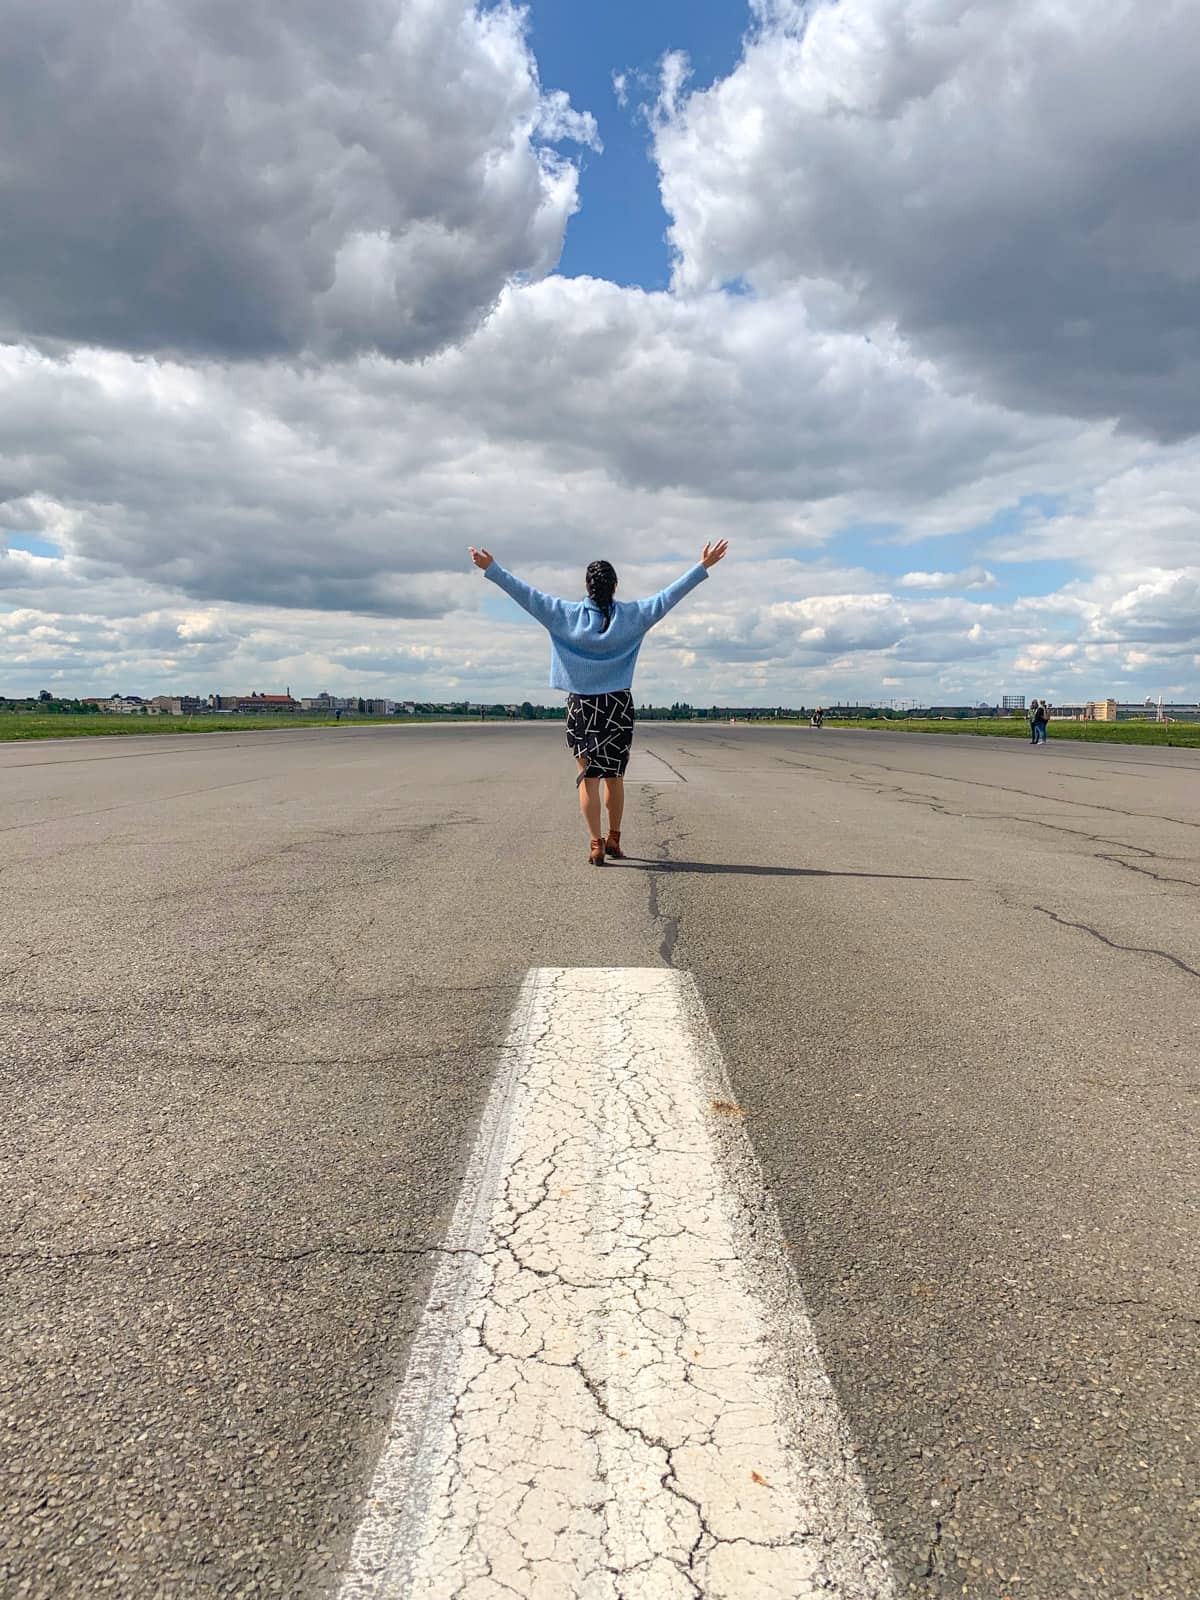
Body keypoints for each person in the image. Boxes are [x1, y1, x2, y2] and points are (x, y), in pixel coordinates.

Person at [468, 541, 729, 864]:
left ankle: (596, 844)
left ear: (587, 587)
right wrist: (701, 566)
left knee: (587, 778)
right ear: (615, 586)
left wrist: (492, 569)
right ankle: (614, 839)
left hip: (582, 707)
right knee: (614, 777)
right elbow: (666, 599)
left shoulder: (565, 614)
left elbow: (528, 596)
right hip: (617, 705)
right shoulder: (631, 617)